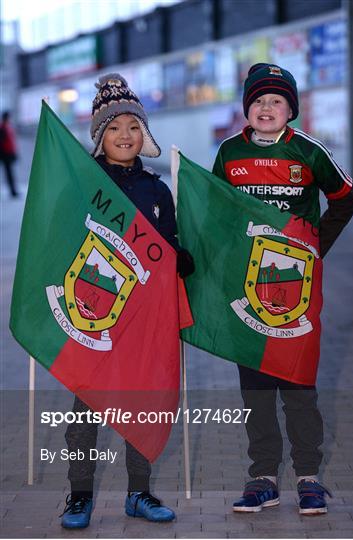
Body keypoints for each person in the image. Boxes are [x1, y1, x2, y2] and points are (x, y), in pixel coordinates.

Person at [212, 63, 353, 515]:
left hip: (295, 289)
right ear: (246, 108)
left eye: (276, 100)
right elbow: (215, 210)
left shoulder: (309, 152)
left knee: (298, 384)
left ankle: (309, 477)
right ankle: (263, 478)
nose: (267, 107)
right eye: (258, 100)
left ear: (290, 109)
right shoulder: (229, 152)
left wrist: (316, 246)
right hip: (247, 289)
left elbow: (346, 196)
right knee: (255, 386)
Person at [60, 73, 194, 528]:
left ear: (145, 134)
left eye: (133, 127)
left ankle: (139, 492)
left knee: (143, 404)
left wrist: (179, 260)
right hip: (94, 318)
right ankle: (79, 495)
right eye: (114, 127)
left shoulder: (158, 190)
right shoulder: (84, 185)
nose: (125, 135)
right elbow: (64, 243)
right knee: (86, 408)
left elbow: (167, 245)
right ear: (100, 137)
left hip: (141, 321)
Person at [0, 111, 19, 197]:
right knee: (9, 173)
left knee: (9, 173)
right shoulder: (3, 128)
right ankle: (13, 191)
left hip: (8, 154)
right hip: (5, 154)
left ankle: (13, 191)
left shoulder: (7, 127)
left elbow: (11, 142)